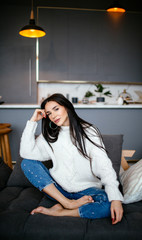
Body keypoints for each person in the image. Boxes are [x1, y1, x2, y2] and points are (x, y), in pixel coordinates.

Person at [20, 93, 123, 224]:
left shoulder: (89, 131)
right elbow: (26, 153)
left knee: (109, 205)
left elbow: (104, 165)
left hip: (86, 191)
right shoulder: (49, 136)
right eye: (49, 113)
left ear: (67, 107)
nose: (53, 116)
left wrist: (115, 199)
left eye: (56, 109)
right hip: (58, 191)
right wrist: (32, 122)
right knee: (27, 163)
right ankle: (67, 203)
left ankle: (60, 211)